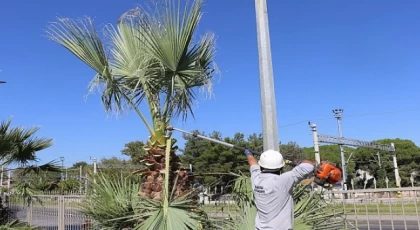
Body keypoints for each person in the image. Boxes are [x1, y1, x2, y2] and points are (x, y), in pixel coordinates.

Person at [244, 148, 315, 230]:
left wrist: (248, 154)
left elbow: (253, 164)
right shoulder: (283, 180)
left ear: (261, 165)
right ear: (281, 167)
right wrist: (296, 163)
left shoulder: (256, 178)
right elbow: (309, 165)